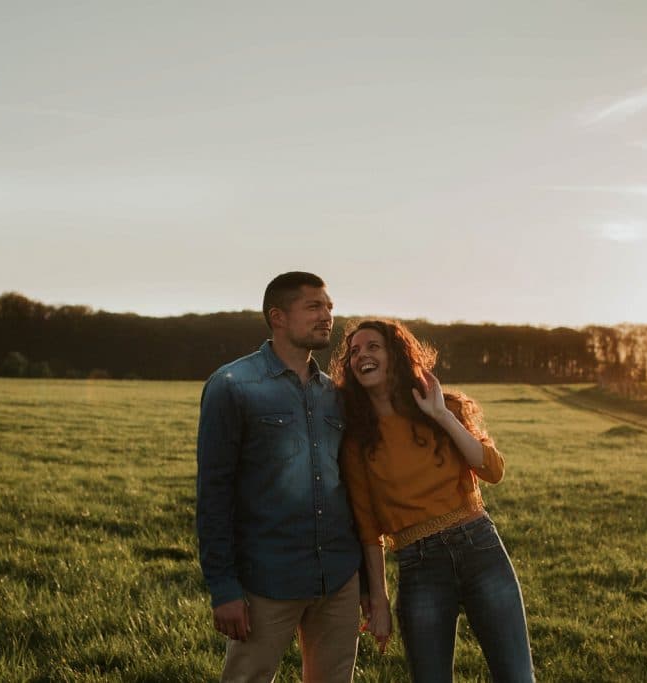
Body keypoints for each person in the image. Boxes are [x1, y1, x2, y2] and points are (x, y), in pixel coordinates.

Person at [332, 319, 534, 682]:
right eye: (354, 351)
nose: (362, 354)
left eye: (372, 346)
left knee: (517, 677)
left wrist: (440, 414)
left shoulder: (445, 408)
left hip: (480, 550)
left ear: (394, 354)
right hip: (418, 566)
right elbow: (367, 529)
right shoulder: (356, 440)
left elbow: (493, 469)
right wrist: (378, 599)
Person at [196, 272, 365, 683]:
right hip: (266, 578)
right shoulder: (233, 385)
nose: (327, 316)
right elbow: (213, 493)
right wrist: (224, 588)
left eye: (329, 307)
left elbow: (353, 486)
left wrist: (365, 583)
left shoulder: (336, 395)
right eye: (314, 307)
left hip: (338, 575)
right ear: (278, 317)